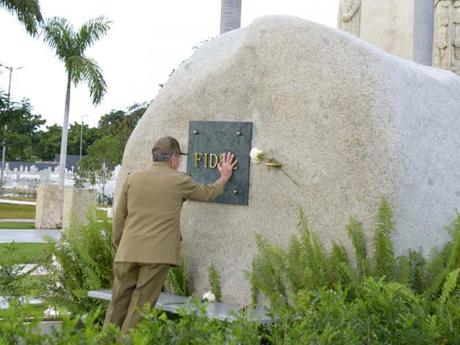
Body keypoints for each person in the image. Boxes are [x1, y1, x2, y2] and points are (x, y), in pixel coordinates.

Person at [104, 136, 237, 333]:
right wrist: (224, 177)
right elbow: (207, 193)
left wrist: (120, 247)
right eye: (179, 158)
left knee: (117, 305)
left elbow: (119, 218)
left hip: (127, 252)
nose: (179, 162)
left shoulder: (133, 178)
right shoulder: (179, 180)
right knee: (140, 308)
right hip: (156, 256)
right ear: (173, 158)